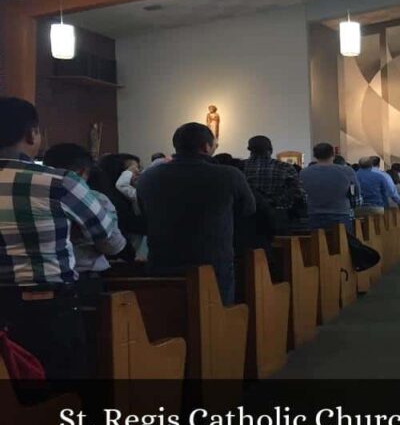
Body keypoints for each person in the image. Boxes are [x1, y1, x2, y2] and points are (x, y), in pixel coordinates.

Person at [0, 98, 123, 380]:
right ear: (32, 134)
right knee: (60, 392)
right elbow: (112, 243)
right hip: (44, 310)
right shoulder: (59, 182)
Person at [138, 123, 255, 305]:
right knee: (216, 318)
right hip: (212, 260)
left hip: (162, 259)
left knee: (167, 318)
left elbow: (142, 213)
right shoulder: (229, 175)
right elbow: (248, 209)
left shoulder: (149, 176)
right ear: (206, 147)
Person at [43, 144, 129, 276]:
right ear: (82, 171)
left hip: (45, 273)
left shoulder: (31, 196)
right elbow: (112, 246)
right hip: (84, 273)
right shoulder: (94, 198)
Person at [243, 135, 304, 233]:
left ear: (250, 150)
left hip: (248, 217)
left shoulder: (240, 167)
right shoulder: (284, 167)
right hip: (278, 216)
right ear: (270, 149)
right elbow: (298, 193)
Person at [302, 143, 360, 233]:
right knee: (343, 244)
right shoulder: (347, 171)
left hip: (315, 214)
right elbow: (356, 193)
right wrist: (353, 206)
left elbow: (303, 194)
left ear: (315, 155)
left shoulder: (304, 172)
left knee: (318, 245)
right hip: (340, 213)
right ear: (333, 154)